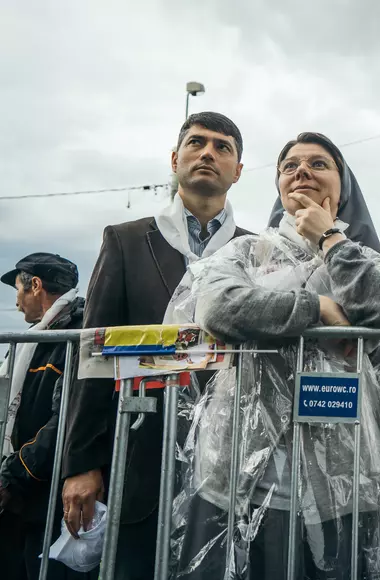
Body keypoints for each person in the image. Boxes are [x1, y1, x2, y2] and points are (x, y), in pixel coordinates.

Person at [164, 132, 380, 579]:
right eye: (290, 165)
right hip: (243, 477)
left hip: (342, 481)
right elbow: (219, 307)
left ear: (343, 185)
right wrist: (318, 309)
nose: (302, 171)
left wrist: (330, 238)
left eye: (319, 164)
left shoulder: (362, 259)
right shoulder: (246, 251)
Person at [60, 112, 251, 580]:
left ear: (238, 171)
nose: (208, 153)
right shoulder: (125, 241)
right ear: (174, 158)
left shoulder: (256, 251)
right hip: (140, 461)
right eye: (196, 143)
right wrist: (82, 462)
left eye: (223, 147)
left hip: (231, 467)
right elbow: (93, 357)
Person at [0, 253, 88, 580]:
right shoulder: (36, 336)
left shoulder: (75, 333)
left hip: (45, 495)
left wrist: (13, 474)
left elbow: (64, 416)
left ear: (36, 286)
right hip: (26, 492)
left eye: (19, 290)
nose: (18, 301)